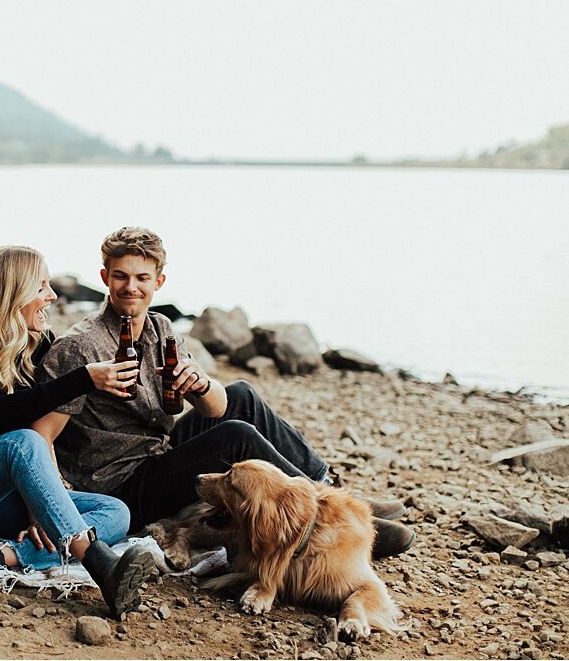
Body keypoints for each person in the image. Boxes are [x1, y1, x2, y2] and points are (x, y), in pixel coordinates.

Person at [33, 227, 415, 559]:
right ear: (104, 277)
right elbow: (42, 435)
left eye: (142, 278)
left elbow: (218, 406)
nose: (131, 287)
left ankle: (334, 492)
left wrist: (200, 383)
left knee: (242, 393)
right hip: (119, 483)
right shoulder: (80, 347)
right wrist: (44, 510)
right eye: (120, 277)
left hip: (159, 452)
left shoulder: (161, 327)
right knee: (236, 438)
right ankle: (333, 519)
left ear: (159, 282)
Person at [0, 245, 155, 618]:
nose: (51, 296)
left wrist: (42, 506)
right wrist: (82, 379)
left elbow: (40, 428)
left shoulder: (40, 344)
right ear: (13, 293)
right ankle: (101, 566)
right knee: (23, 440)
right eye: (41, 286)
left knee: (115, 511)